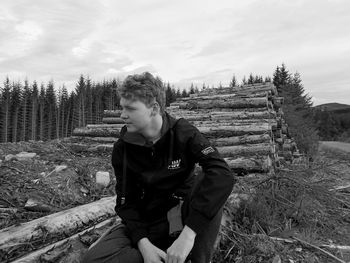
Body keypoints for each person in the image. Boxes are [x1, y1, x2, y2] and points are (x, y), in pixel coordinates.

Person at [82, 72, 235, 263]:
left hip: (185, 217)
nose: (122, 115)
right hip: (148, 223)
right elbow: (125, 203)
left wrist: (188, 235)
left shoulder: (182, 133)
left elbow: (223, 173)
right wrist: (144, 245)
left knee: (210, 179)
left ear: (154, 108)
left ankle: (194, 258)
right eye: (122, 108)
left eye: (130, 109)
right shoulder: (123, 148)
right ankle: (157, 257)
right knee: (92, 259)